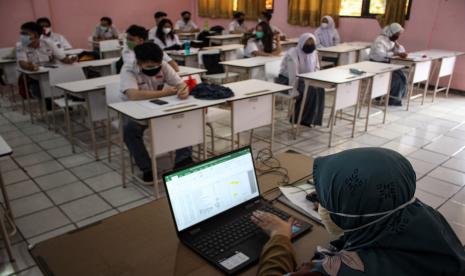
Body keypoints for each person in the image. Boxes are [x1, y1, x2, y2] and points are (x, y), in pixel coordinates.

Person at [253, 147, 465, 275]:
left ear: (350, 216)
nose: (323, 207)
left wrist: (280, 237)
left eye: (325, 201)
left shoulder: (336, 271)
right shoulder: (427, 217)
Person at [120, 43, 192, 182]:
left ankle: (183, 160)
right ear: (139, 62)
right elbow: (133, 95)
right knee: (129, 129)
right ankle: (147, 168)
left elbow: (180, 83)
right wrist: (164, 93)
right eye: (149, 67)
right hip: (135, 111)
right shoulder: (128, 69)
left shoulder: (164, 65)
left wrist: (184, 90)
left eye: (156, 66)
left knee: (184, 118)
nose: (153, 69)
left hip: (159, 108)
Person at [16, 22, 76, 102]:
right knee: (37, 90)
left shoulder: (48, 43)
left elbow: (62, 58)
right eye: (21, 33)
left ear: (36, 35)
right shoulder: (20, 46)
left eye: (25, 33)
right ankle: (49, 101)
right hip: (34, 77)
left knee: (67, 82)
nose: (22, 36)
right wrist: (29, 66)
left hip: (52, 74)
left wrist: (70, 60)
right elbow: (22, 63)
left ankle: (61, 100)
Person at [277, 33, 324, 127]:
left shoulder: (314, 53)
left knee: (319, 89)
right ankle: (297, 118)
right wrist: (293, 90)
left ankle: (311, 119)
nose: (310, 46)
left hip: (305, 79)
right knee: (309, 89)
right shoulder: (293, 53)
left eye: (312, 43)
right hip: (287, 80)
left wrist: (315, 80)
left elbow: (316, 68)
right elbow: (293, 74)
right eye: (308, 43)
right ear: (302, 43)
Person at [369, 22, 408, 106]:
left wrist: (397, 45)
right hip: (376, 64)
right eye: (397, 34)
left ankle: (396, 98)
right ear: (392, 32)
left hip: (386, 64)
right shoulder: (380, 40)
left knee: (403, 76)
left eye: (399, 34)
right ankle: (390, 99)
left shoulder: (392, 40)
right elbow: (380, 54)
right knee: (396, 79)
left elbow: (401, 51)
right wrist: (396, 54)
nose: (398, 36)